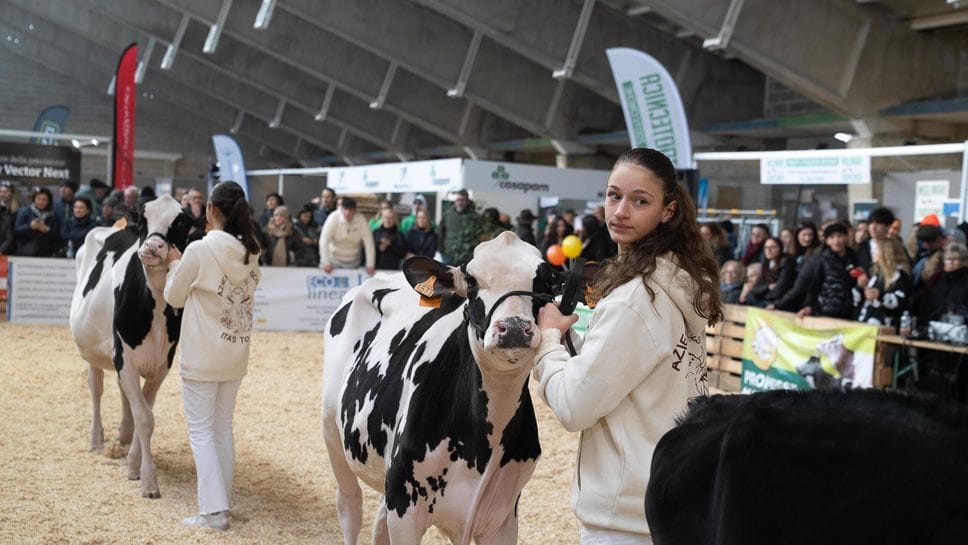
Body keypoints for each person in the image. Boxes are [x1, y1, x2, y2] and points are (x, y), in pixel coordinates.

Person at [533, 148, 721, 545]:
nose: (619, 211)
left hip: (628, 522)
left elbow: (573, 406)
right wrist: (571, 338)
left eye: (640, 201)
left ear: (667, 211)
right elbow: (626, 369)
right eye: (613, 195)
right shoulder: (673, 283)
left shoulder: (637, 299)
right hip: (670, 501)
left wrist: (548, 342)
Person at [162, 181, 262, 531]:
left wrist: (175, 263)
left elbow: (173, 297)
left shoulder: (200, 250)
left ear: (212, 211)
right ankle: (222, 503)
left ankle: (213, 512)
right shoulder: (251, 250)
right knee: (221, 429)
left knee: (202, 432)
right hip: (235, 352)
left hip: (202, 353)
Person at [769, 222, 857, 318]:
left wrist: (859, 276)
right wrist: (777, 304)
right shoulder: (818, 260)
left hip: (848, 312)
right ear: (827, 241)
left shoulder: (852, 257)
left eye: (839, 236)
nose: (836, 240)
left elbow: (853, 274)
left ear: (846, 237)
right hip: (823, 311)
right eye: (832, 237)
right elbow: (801, 287)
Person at [854, 237, 912, 327]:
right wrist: (860, 287)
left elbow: (901, 302)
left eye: (877, 249)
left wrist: (880, 295)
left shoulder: (900, 276)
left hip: (886, 326)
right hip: (866, 322)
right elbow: (858, 299)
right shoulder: (875, 273)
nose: (873, 252)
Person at [318, 196, 375, 275]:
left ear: (355, 210)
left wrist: (370, 265)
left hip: (353, 261)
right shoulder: (333, 218)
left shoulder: (361, 220)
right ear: (341, 209)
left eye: (350, 210)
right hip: (333, 260)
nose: (348, 213)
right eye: (345, 209)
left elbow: (369, 243)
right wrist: (326, 262)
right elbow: (324, 241)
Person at [746, 236, 796, 307]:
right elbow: (754, 289)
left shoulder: (787, 263)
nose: (768, 250)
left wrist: (763, 293)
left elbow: (780, 289)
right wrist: (768, 287)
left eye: (772, 247)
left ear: (780, 248)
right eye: (766, 247)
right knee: (749, 297)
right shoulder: (766, 263)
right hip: (765, 298)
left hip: (777, 301)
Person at [15, 187, 62, 257]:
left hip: (47, 253)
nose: (41, 202)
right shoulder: (25, 212)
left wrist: (47, 230)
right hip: (25, 252)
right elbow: (16, 230)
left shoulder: (53, 215)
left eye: (44, 200)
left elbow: (58, 236)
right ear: (34, 199)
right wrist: (30, 227)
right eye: (38, 199)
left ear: (49, 201)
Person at [436, 189, 472, 265]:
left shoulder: (473, 216)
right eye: (458, 200)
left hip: (466, 256)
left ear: (468, 201)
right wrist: (441, 250)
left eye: (463, 200)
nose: (460, 203)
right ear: (455, 201)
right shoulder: (448, 214)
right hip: (448, 255)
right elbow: (439, 232)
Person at [0, 181, 17, 255]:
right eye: (0, 191)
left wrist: (2, 249)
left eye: (5, 192)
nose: (2, 194)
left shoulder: (17, 211)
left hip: (10, 251)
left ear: (11, 194)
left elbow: (11, 234)